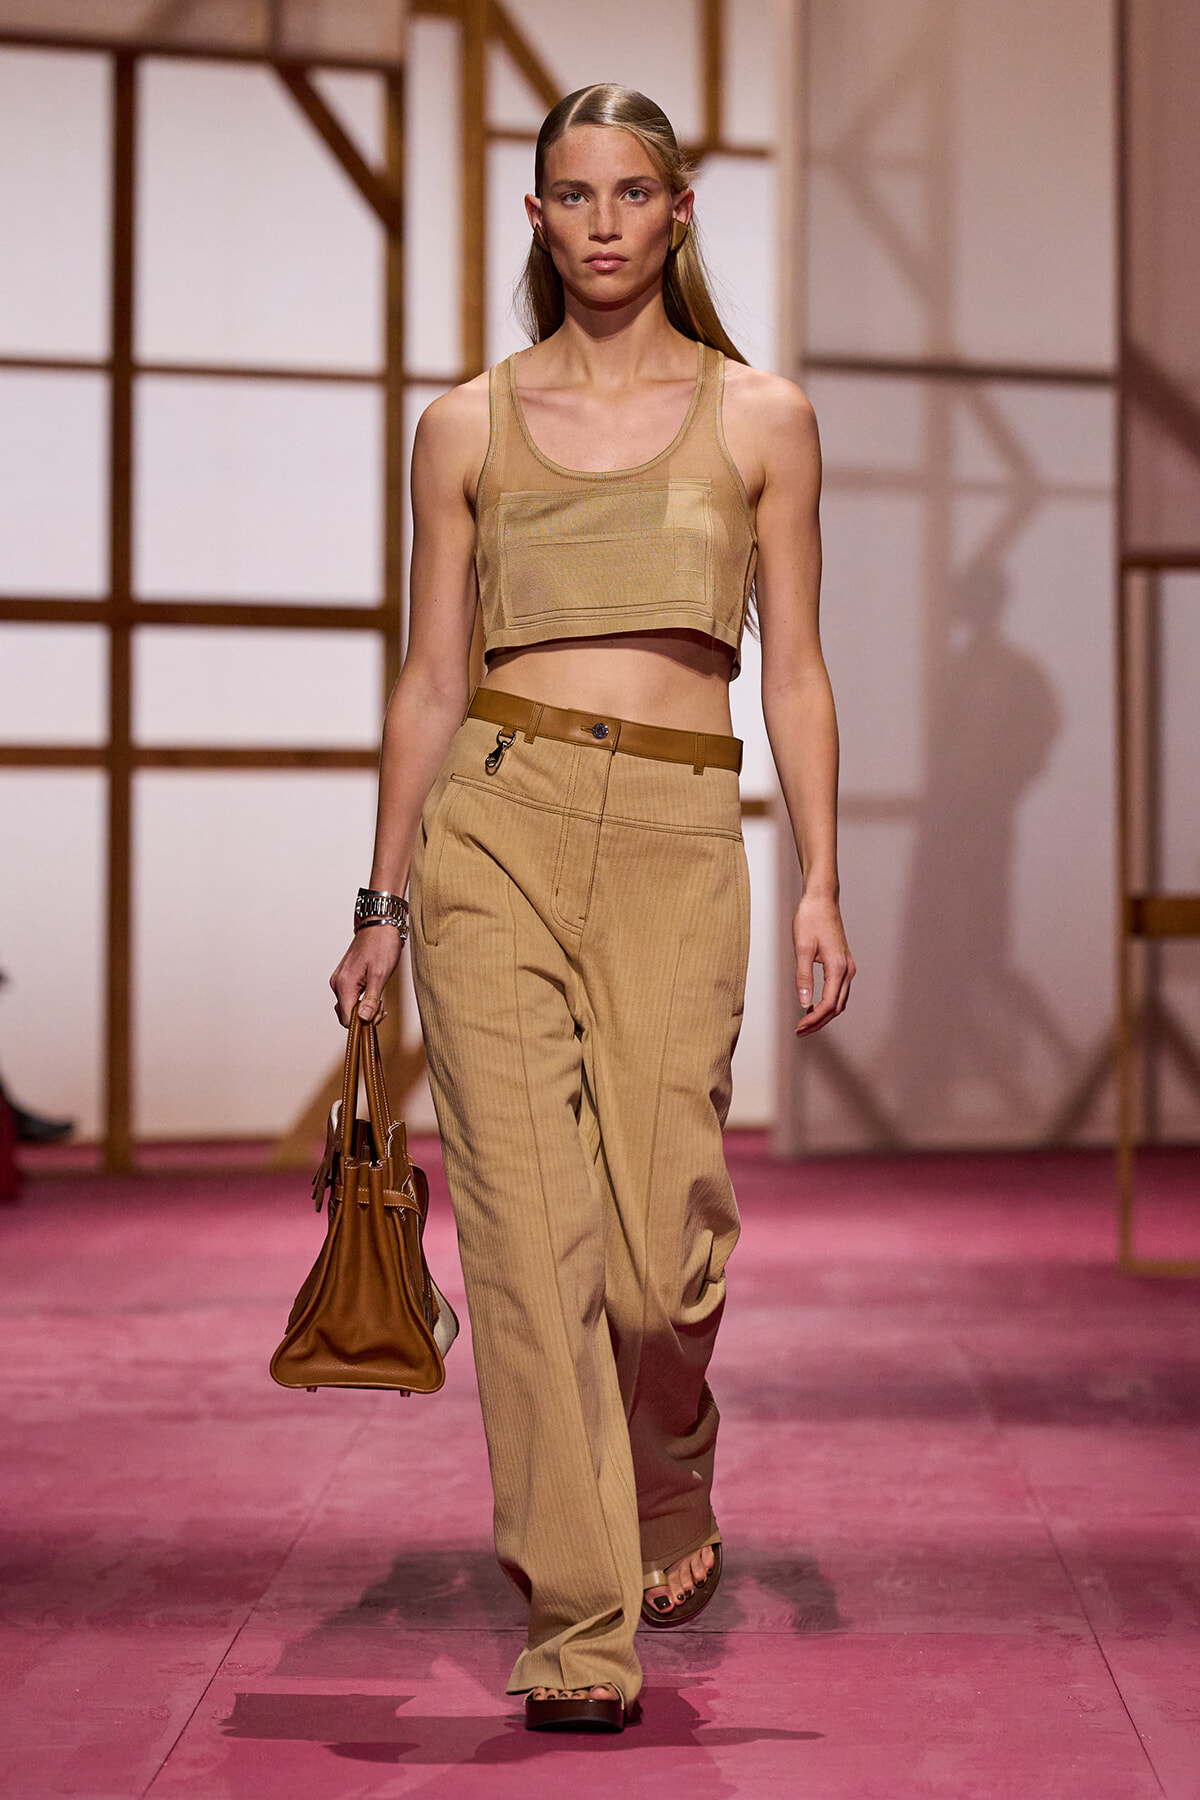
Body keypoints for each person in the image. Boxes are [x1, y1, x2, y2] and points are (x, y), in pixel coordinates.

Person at [331, 83, 854, 1734]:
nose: (605, 222)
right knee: (528, 1241)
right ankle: (578, 1622)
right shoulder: (466, 424)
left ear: (680, 212)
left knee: (661, 1258)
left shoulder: (762, 416)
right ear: (539, 215)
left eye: (634, 192)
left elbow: (802, 669)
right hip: (497, 818)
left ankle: (671, 1466)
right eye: (574, 194)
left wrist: (824, 874)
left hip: (682, 837)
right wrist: (382, 898)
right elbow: (427, 680)